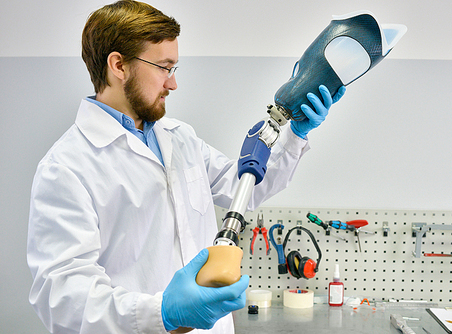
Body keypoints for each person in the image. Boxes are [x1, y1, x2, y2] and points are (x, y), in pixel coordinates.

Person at [26, 1, 345, 333]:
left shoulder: (180, 139)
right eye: (164, 67)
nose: (173, 83)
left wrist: (295, 134)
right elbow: (61, 296)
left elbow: (245, 190)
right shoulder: (66, 167)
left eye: (174, 68)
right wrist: (160, 312)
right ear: (118, 65)